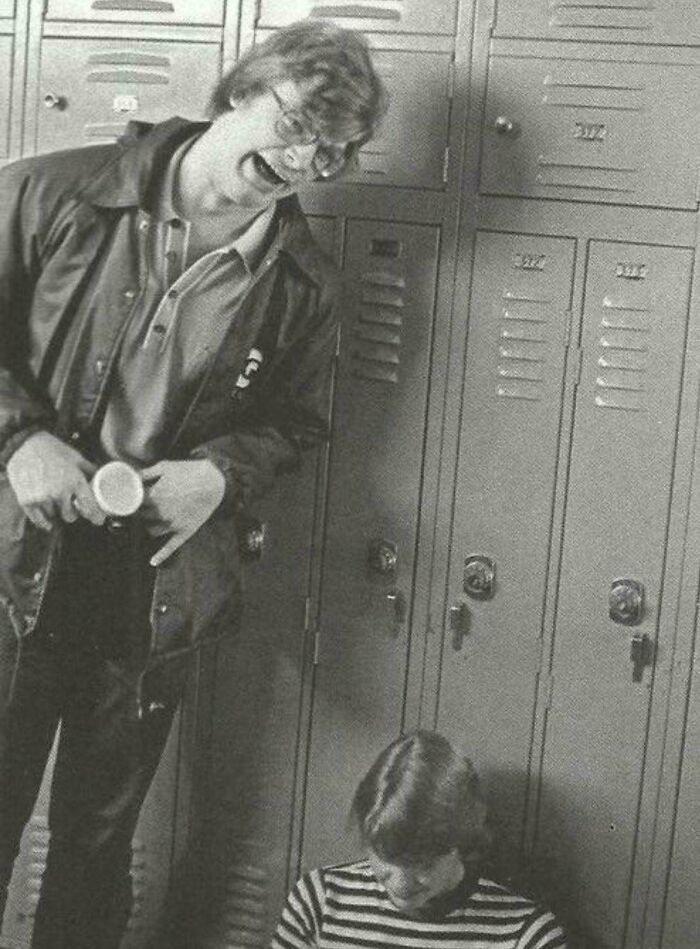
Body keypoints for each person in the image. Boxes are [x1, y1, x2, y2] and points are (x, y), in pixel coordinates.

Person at [0, 20, 386, 949]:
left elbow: (295, 424)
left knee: (96, 851)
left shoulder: (302, 283)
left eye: (333, 151)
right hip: (14, 562)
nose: (305, 160)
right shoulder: (54, 190)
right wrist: (18, 438)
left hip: (151, 586)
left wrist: (220, 474)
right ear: (240, 90)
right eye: (297, 125)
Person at [272, 730, 567, 949]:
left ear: (461, 844)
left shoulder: (527, 936)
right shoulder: (319, 901)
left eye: (423, 864)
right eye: (384, 856)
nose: (401, 883)